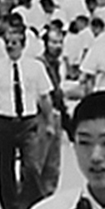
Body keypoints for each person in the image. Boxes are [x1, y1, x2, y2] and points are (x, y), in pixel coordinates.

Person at [0, 21, 54, 209]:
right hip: (3, 121)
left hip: (28, 121)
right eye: (7, 42)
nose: (10, 46)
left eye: (14, 42)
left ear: (23, 44)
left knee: (31, 166)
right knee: (5, 166)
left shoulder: (35, 67)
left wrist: (49, 121)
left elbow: (45, 96)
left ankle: (29, 205)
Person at [38, 25, 66, 196]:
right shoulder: (40, 64)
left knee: (53, 162)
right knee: (39, 160)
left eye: (60, 42)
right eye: (54, 42)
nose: (57, 46)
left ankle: (49, 194)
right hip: (42, 115)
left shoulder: (57, 64)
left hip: (56, 113)